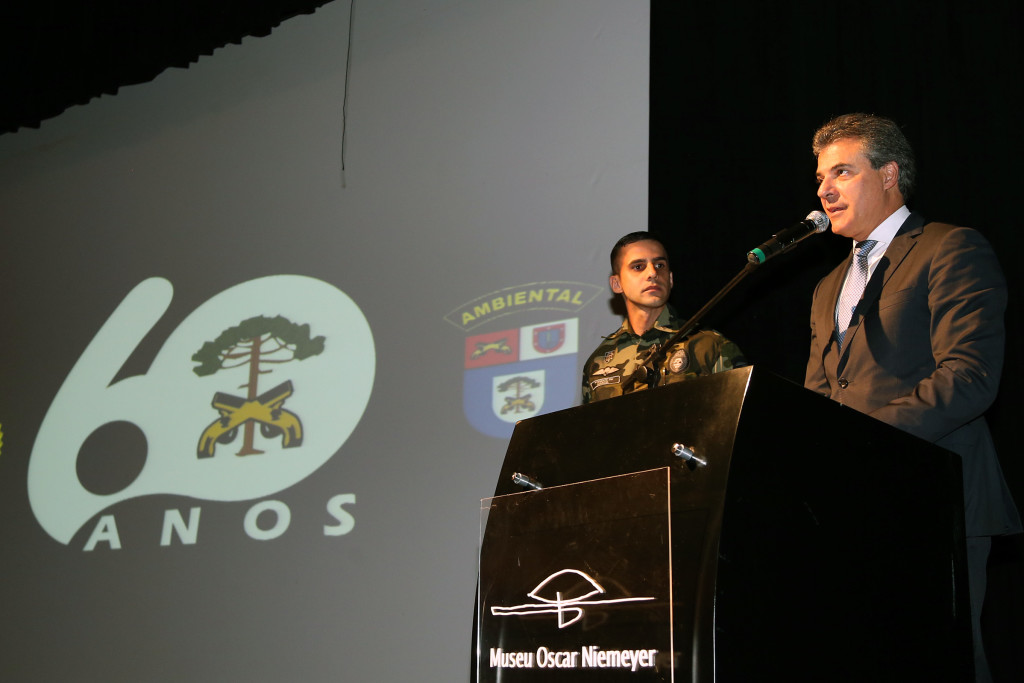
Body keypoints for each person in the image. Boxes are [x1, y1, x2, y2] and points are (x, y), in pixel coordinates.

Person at [805, 112, 1022, 682]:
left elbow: (970, 376)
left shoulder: (950, 248)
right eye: (821, 176)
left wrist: (864, 442)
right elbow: (817, 400)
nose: (825, 189)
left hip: (936, 492)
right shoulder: (828, 284)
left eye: (843, 172)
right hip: (852, 502)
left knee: (939, 660)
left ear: (888, 174)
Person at [581, 232, 746, 404]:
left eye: (660, 265)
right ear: (617, 284)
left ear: (671, 279)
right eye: (638, 267)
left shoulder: (708, 345)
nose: (652, 273)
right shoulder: (598, 362)